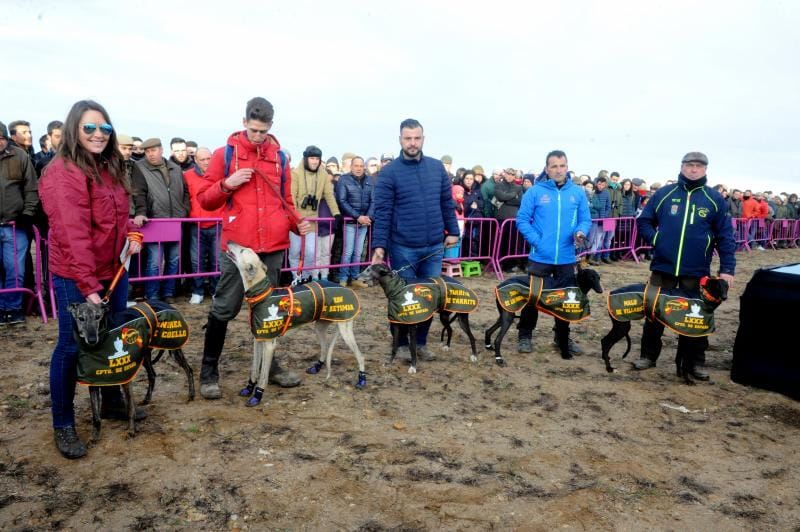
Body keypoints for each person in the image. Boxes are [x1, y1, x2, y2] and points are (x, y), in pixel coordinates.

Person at [38, 100, 144, 459]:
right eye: (89, 128)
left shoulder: (110, 166)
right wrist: (88, 286)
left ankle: (112, 400)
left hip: (112, 268)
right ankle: (63, 423)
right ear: (73, 130)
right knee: (71, 344)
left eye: (105, 128)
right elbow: (72, 233)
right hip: (75, 272)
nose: (99, 134)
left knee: (110, 334)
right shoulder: (63, 172)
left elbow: (119, 213)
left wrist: (131, 232)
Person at [196, 96, 312, 400]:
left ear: (270, 126)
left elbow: (284, 202)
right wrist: (227, 184)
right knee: (224, 308)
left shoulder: (281, 159)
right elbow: (205, 200)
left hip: (272, 247)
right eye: (253, 129)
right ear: (245, 122)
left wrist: (296, 223)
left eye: (263, 131)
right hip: (238, 248)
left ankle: (269, 367)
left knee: (269, 310)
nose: (258, 136)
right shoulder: (225, 155)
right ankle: (209, 370)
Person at [632, 152, 735, 379]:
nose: (694, 169)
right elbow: (644, 221)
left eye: (699, 166)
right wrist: (657, 240)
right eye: (690, 165)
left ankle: (695, 362)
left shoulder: (714, 199)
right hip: (663, 268)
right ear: (682, 166)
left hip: (696, 270)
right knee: (654, 312)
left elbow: (726, 236)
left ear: (705, 169)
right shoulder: (664, 194)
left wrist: (727, 269)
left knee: (695, 316)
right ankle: (648, 356)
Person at [371, 118, 459, 360]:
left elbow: (446, 203)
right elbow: (383, 213)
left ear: (423, 139)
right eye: (407, 138)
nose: (412, 143)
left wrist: (453, 230)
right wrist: (379, 246)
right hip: (403, 248)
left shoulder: (436, 168)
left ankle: (420, 343)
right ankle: (400, 345)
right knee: (404, 299)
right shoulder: (389, 174)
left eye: (416, 138)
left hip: (433, 246)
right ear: (400, 140)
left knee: (428, 297)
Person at [515, 150, 591, 358]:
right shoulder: (535, 192)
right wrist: (538, 242)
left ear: (567, 167)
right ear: (547, 169)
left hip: (566, 258)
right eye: (554, 166)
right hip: (540, 257)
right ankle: (525, 335)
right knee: (532, 299)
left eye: (562, 165)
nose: (558, 170)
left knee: (565, 300)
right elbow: (522, 220)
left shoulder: (578, 192)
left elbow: (585, 219)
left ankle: (562, 337)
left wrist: (580, 232)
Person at [131, 137, 190, 302]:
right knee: (155, 261)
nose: (150, 154)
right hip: (154, 221)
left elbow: (185, 192)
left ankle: (168, 293)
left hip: (176, 220)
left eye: (154, 150)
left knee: (174, 259)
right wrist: (142, 212)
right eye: (147, 151)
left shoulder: (175, 168)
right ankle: (153, 294)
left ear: (161, 149)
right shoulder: (140, 167)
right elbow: (139, 192)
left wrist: (184, 211)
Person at [0, 121, 39, 324]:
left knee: (15, 269)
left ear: (6, 138)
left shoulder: (20, 157)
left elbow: (31, 188)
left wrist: (27, 213)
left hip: (15, 225)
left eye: (1, 138)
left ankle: (13, 308)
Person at [289, 145, 340, 282]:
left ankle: (305, 278)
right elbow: (291, 196)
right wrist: (295, 217)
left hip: (312, 221)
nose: (315, 161)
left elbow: (329, 195)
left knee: (311, 253)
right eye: (312, 158)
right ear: (306, 158)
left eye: (317, 158)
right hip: (296, 221)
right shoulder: (295, 173)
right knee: (294, 252)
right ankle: (296, 278)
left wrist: (336, 214)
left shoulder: (323, 174)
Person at [184, 147, 223, 304]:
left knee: (217, 260)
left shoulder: (221, 175)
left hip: (218, 223)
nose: (207, 162)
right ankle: (197, 291)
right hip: (196, 225)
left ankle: (216, 291)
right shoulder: (187, 176)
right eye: (203, 159)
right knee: (196, 260)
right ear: (195, 160)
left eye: (209, 158)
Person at [337, 156, 374, 286]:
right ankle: (343, 278)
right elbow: (342, 201)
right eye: (356, 165)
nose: (359, 168)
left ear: (363, 167)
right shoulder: (344, 179)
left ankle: (355, 278)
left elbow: (374, 200)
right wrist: (357, 216)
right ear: (351, 167)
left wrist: (368, 217)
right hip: (350, 222)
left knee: (358, 253)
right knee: (348, 252)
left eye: (361, 166)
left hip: (364, 223)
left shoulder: (370, 180)